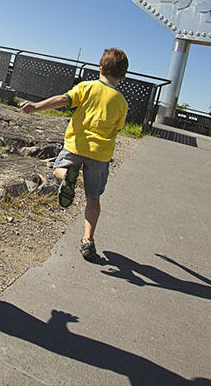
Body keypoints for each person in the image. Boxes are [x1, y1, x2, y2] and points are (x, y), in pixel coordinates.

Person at [19, 48, 129, 262]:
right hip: (100, 154)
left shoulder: (87, 87)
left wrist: (36, 107)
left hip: (76, 146)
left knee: (57, 168)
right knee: (93, 198)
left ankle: (65, 175)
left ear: (100, 67)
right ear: (122, 76)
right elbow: (117, 128)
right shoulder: (122, 102)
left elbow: (63, 99)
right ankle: (87, 239)